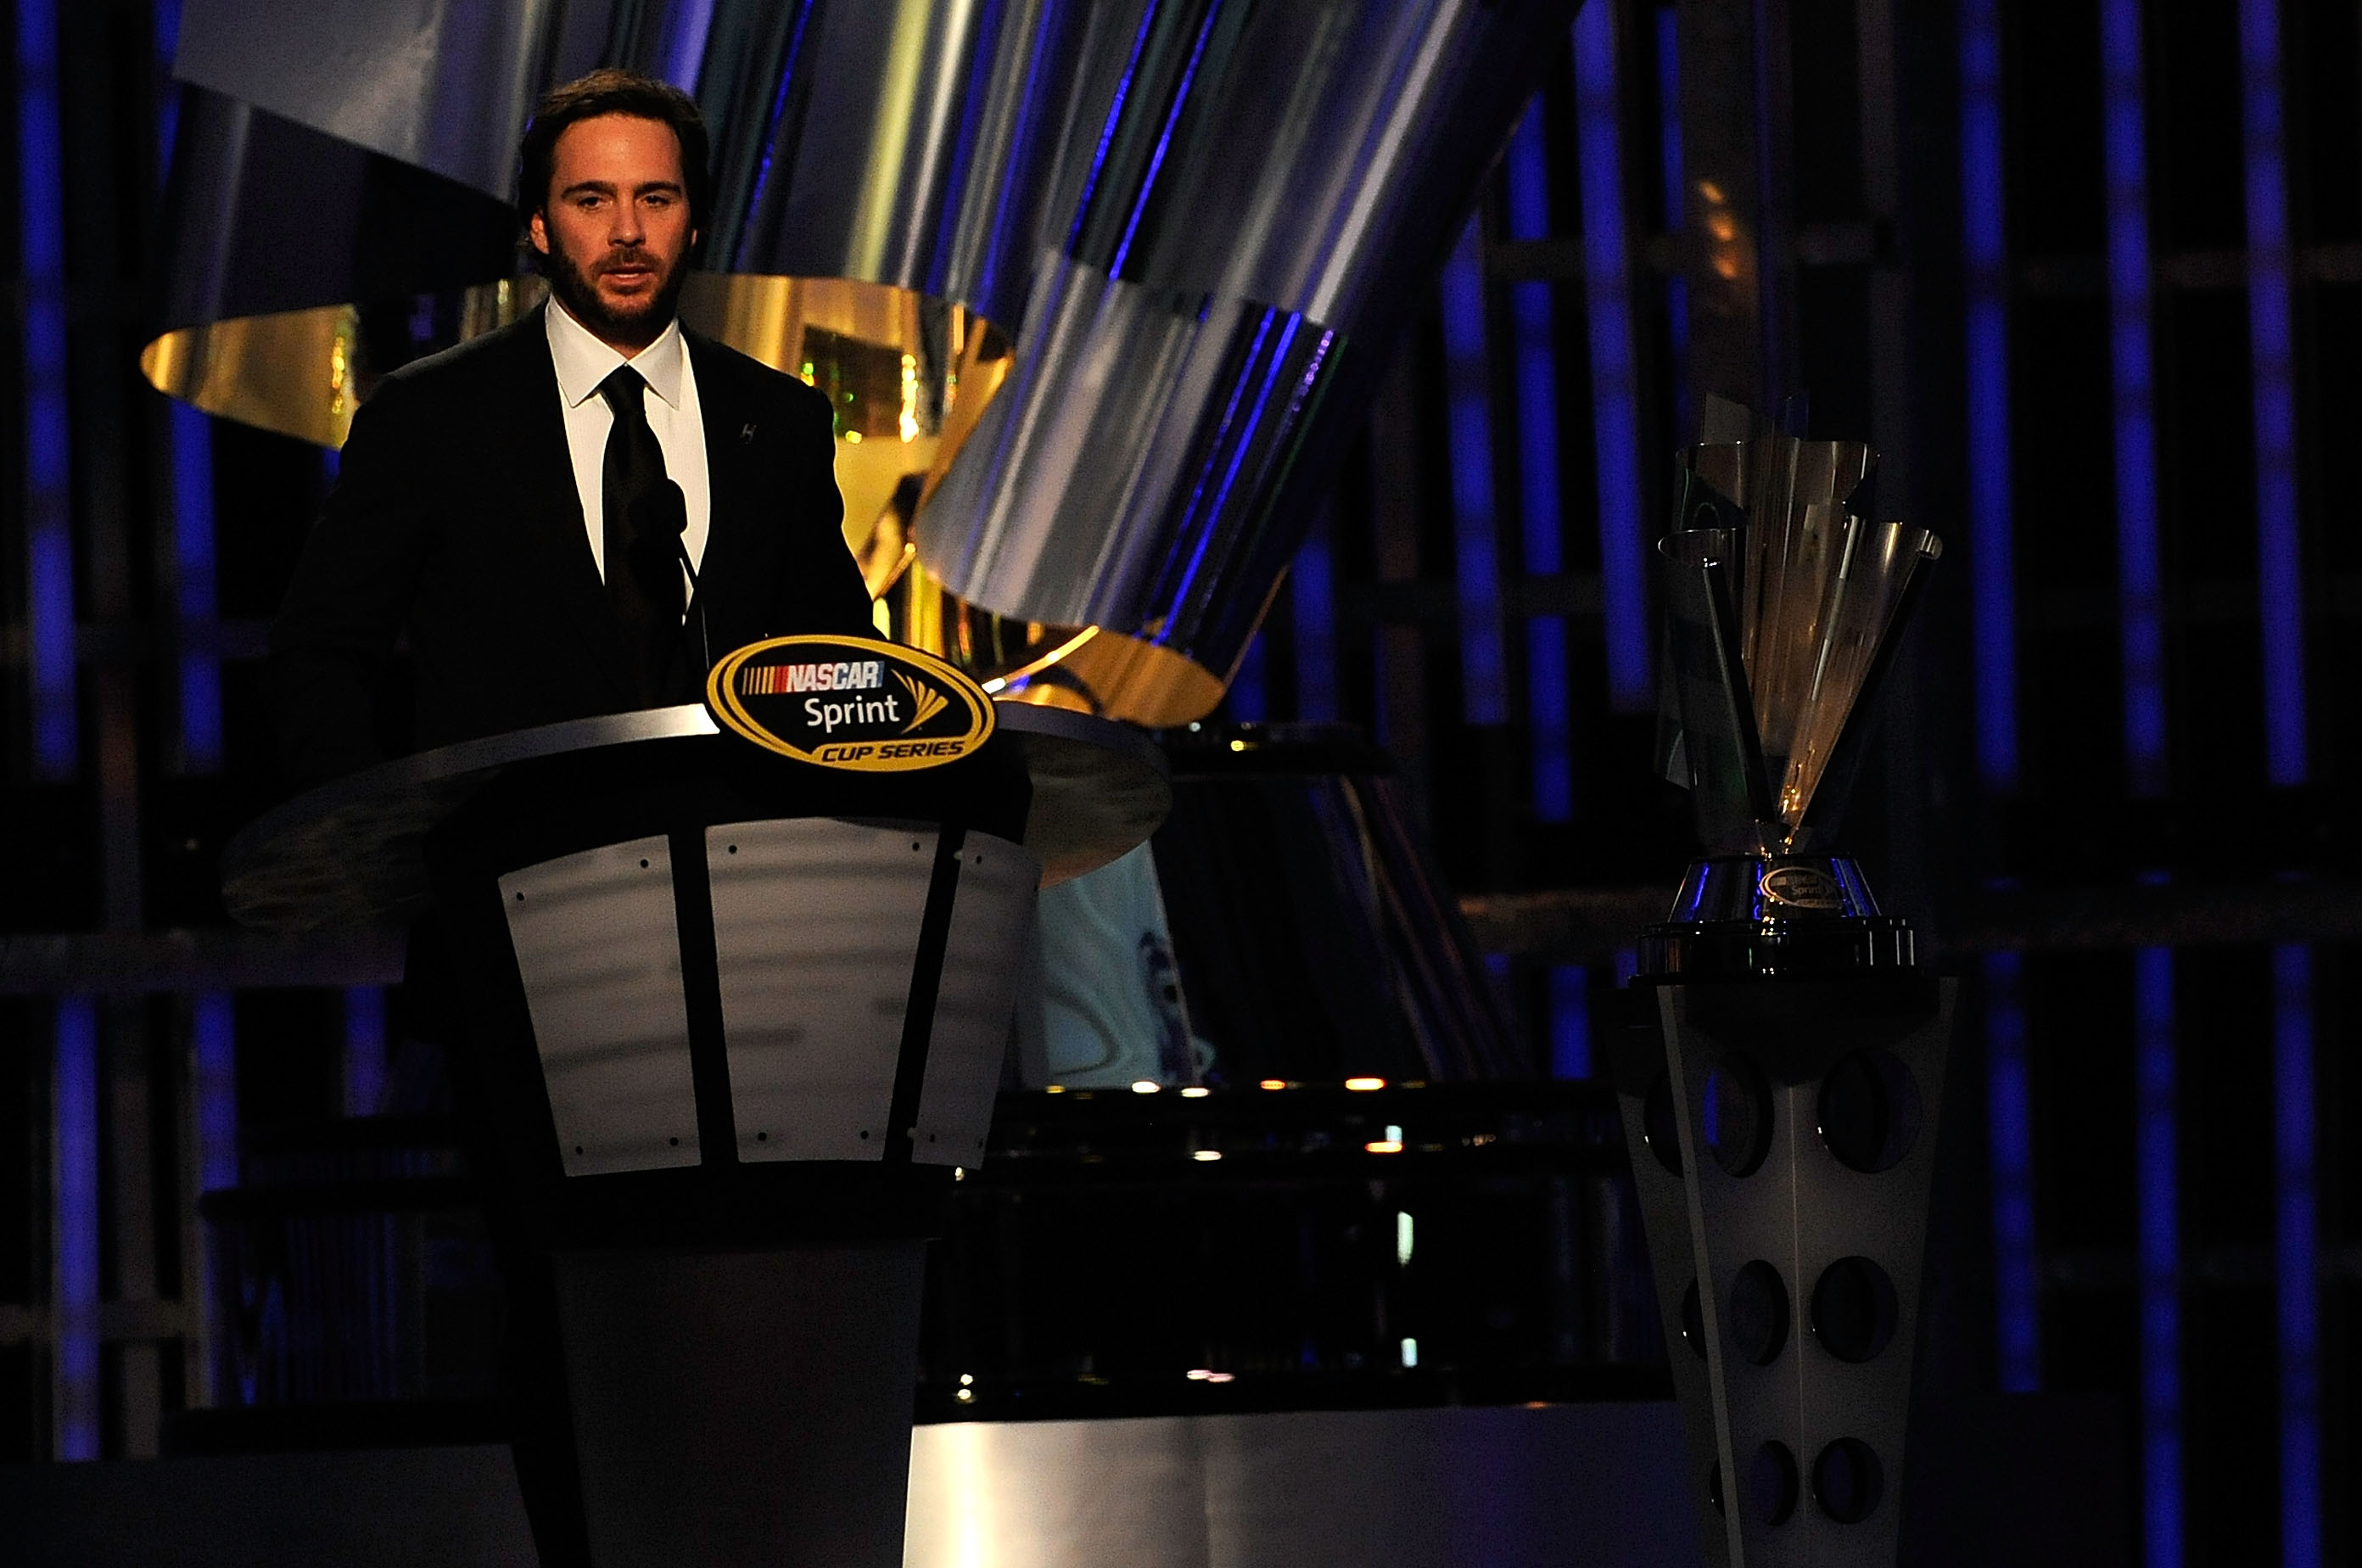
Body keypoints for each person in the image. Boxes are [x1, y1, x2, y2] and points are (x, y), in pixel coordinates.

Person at [268, 68, 873, 793]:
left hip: (739, 874)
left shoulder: (779, 420)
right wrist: (380, 864)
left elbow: (845, 669)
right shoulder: (427, 418)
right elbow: (320, 659)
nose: (627, 232)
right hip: (510, 879)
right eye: (592, 200)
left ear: (695, 223)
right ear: (540, 226)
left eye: (656, 198)